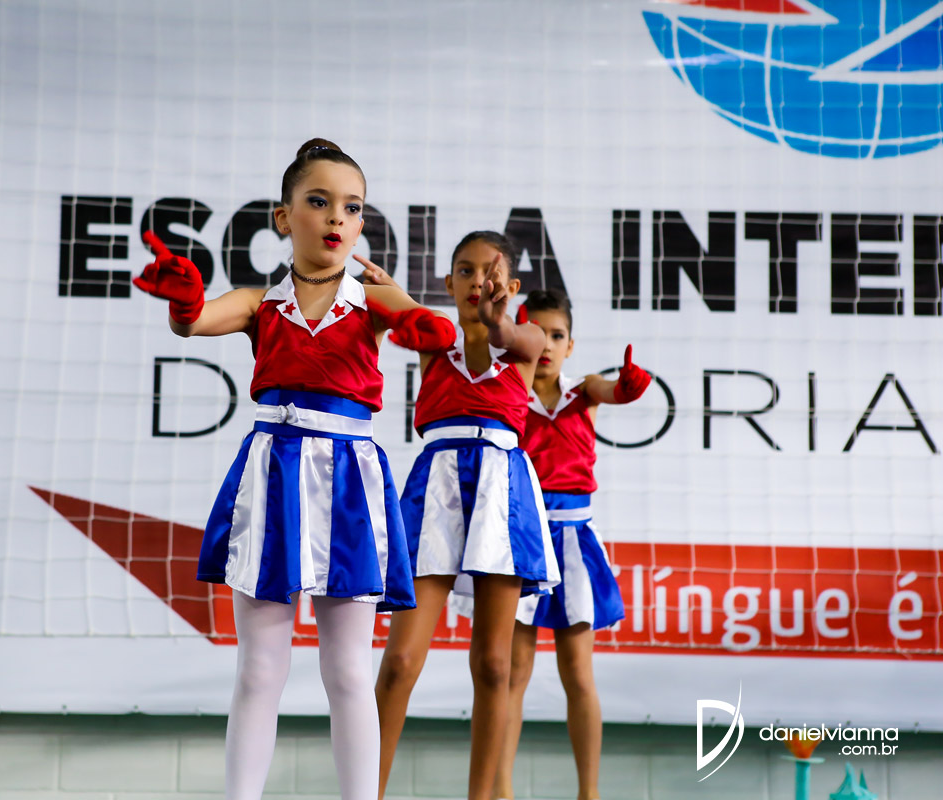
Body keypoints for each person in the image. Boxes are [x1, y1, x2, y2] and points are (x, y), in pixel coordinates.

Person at [133, 138, 454, 800]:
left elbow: (436, 334)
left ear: (361, 224)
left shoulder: (371, 300)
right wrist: (184, 301)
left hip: (350, 482)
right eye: (319, 201)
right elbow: (193, 324)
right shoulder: (259, 302)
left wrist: (407, 307)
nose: (337, 217)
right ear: (283, 217)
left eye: (353, 207)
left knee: (347, 672)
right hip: (273, 474)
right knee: (259, 671)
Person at [370, 231, 560, 800]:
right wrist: (389, 292)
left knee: (494, 664)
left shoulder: (526, 340)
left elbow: (506, 333)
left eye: (490, 271)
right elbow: (399, 310)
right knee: (400, 661)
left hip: (503, 487)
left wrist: (499, 320)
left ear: (511, 285)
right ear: (449, 282)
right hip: (437, 485)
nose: (478, 280)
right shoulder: (435, 340)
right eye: (465, 270)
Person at [489, 287, 651, 800]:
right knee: (512, 673)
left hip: (575, 542)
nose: (547, 344)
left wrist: (628, 386)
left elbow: (612, 391)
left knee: (578, 673)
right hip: (523, 541)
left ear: (570, 345)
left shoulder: (584, 392)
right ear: (519, 336)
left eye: (557, 335)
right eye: (537, 333)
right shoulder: (506, 392)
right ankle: (501, 789)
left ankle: (589, 793)